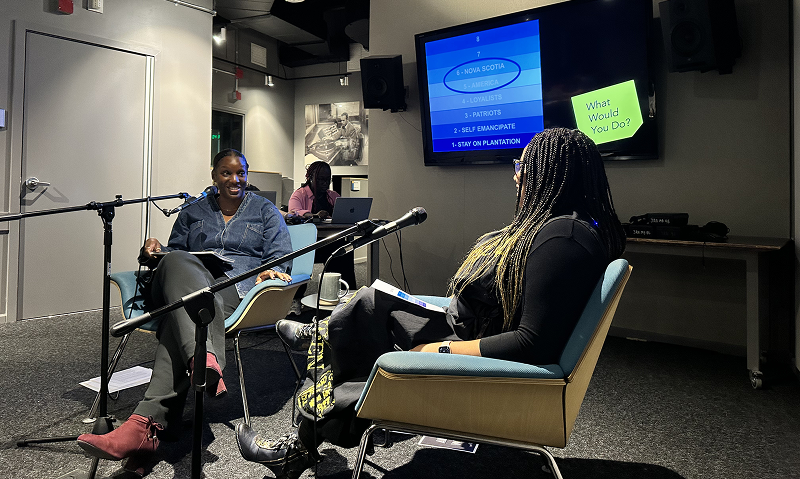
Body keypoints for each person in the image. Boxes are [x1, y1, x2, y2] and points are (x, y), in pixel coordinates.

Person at [235, 128, 626, 479]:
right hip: (468, 324)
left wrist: (441, 348)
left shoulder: (563, 239)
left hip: (473, 344)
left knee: (357, 325)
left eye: (523, 163)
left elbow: (532, 343)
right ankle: (319, 387)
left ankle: (306, 434)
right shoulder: (563, 230)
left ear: (549, 171)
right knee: (366, 304)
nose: (516, 173)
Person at [77, 149, 293, 475]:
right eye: (226, 173)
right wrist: (155, 251)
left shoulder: (264, 211)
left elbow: (281, 258)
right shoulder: (193, 209)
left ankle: (147, 429)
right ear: (214, 175)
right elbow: (172, 252)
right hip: (190, 283)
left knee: (176, 323)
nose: (235, 180)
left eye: (241, 173)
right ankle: (202, 359)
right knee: (178, 262)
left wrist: (266, 273)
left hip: (234, 291)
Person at [288, 161, 357, 290]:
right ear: (310, 177)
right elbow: (293, 212)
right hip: (308, 244)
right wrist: (313, 215)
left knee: (345, 251)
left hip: (329, 241)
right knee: (299, 257)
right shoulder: (299, 194)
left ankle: (346, 293)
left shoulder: (333, 196)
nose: (325, 183)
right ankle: (296, 300)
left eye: (327, 179)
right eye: (321, 179)